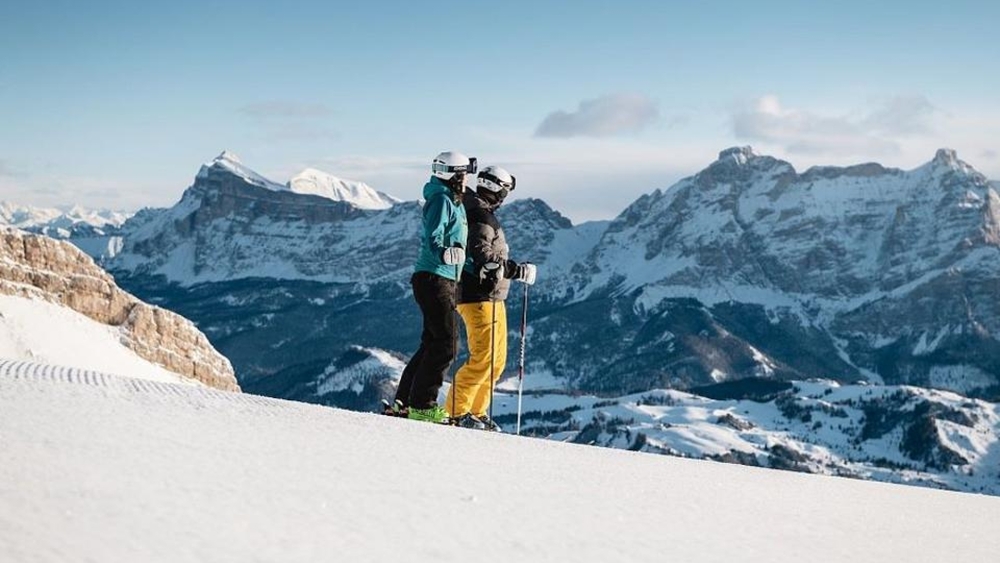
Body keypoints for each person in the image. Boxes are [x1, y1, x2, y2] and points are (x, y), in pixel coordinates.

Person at [444, 165, 536, 431]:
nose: (505, 197)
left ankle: (476, 411)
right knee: (483, 358)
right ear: (498, 190)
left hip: (492, 296)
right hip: (477, 296)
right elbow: (482, 254)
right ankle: (456, 412)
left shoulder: (478, 211)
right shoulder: (479, 215)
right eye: (505, 191)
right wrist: (516, 270)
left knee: (496, 361)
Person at [389, 151, 474, 423]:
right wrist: (445, 253)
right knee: (446, 345)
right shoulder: (441, 200)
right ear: (452, 175)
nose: (465, 180)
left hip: (443, 278)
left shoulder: (454, 200)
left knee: (432, 343)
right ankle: (423, 405)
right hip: (434, 276)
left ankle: (404, 402)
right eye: (462, 174)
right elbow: (433, 236)